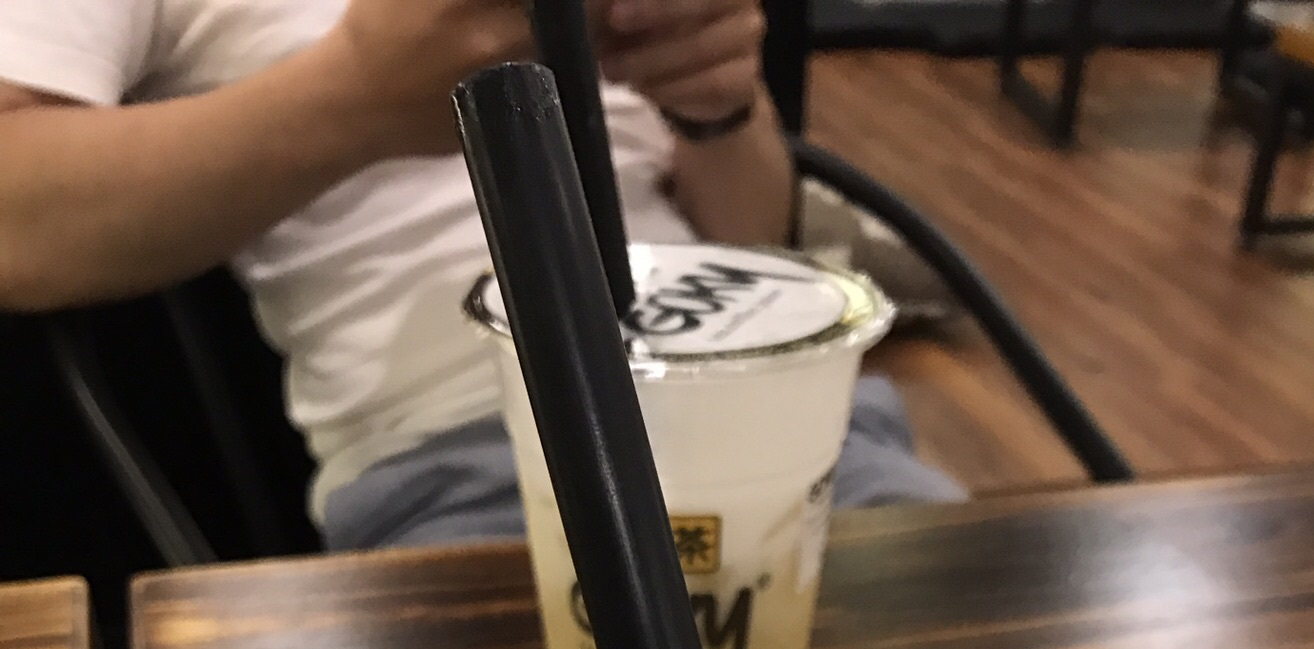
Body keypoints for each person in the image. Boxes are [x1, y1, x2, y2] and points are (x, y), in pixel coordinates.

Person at [0, 0, 962, 551]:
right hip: (472, 467)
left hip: (787, 406)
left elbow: (755, 239)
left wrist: (719, 103)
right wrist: (355, 99)